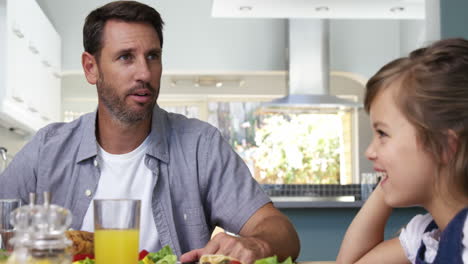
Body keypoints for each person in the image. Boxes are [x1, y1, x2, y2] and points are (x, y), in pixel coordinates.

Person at [0, 1, 300, 263]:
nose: (144, 73)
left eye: (153, 56)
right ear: (91, 68)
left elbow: (280, 230)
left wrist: (256, 244)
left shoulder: (200, 146)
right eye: (125, 57)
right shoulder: (47, 149)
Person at [336, 38, 468, 264]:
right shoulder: (430, 234)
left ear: (444, 146)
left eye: (382, 134)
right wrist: (387, 176)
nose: (369, 152)